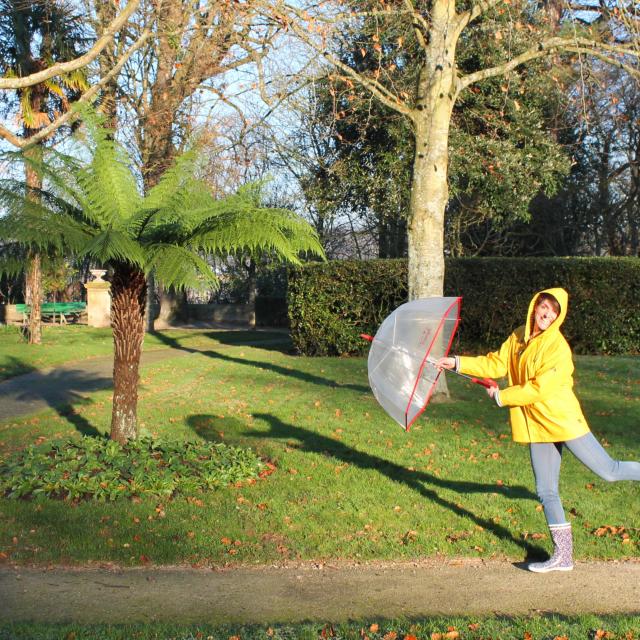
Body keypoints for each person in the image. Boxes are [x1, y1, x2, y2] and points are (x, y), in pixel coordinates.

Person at [437, 287, 640, 573]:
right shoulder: (520, 335)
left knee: (609, 470)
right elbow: (496, 362)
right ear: (536, 306)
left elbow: (539, 388)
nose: (547, 314)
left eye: (554, 311)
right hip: (538, 425)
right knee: (546, 490)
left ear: (559, 316)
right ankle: (563, 556)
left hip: (562, 421)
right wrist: (456, 362)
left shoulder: (557, 348)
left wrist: (502, 397)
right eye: (544, 306)